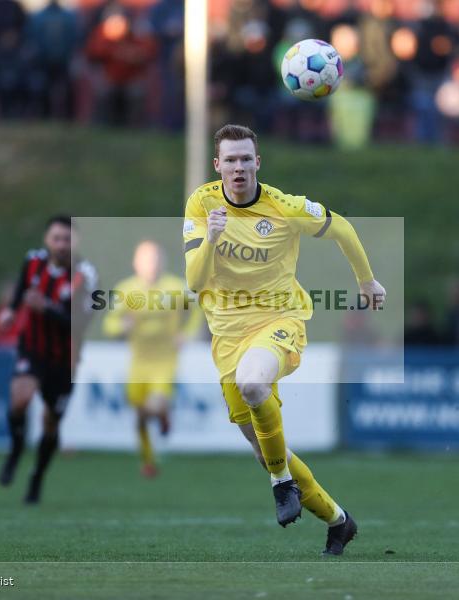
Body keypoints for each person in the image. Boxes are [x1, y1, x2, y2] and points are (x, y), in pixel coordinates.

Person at [182, 124, 385, 556]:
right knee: (266, 448)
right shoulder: (202, 203)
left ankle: (280, 486)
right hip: (227, 337)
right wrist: (213, 238)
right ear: (218, 166)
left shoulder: (283, 206)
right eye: (230, 160)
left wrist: (366, 281)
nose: (238, 168)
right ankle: (338, 519)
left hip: (280, 320)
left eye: (245, 159)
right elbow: (195, 282)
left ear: (258, 162)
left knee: (254, 386)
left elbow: (342, 228)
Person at [0, 215, 97, 504]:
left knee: (50, 423)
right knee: (19, 400)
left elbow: (80, 323)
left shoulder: (86, 275)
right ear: (46, 240)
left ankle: (37, 476)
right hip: (33, 348)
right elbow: (21, 289)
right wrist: (11, 311)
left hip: (65, 359)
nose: (62, 245)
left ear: (75, 242)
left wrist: (48, 308)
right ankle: (15, 452)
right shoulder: (33, 261)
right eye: (56, 238)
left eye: (67, 239)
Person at [103, 240, 202, 478]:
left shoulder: (175, 287)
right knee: (139, 417)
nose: (151, 265)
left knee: (154, 404)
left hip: (165, 361)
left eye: (155, 259)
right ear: (135, 263)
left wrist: (187, 335)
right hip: (138, 363)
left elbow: (198, 312)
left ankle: (162, 411)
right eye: (146, 260)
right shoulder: (126, 290)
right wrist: (120, 326)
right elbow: (109, 324)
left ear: (163, 262)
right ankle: (148, 460)